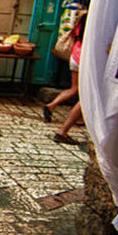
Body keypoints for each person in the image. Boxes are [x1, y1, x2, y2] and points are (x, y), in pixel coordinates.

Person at [44, 10, 86, 144]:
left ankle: (51, 105)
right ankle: (64, 130)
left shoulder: (81, 20)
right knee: (86, 97)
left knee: (75, 89)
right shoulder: (96, 22)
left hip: (75, 55)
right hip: (84, 58)